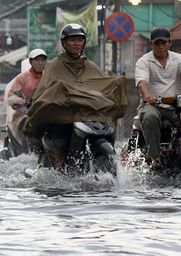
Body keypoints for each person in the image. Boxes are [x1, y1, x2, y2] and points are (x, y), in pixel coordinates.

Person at [24, 24, 128, 169]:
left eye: (80, 40)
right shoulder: (55, 65)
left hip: (87, 114)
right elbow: (45, 90)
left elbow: (101, 84)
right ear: (64, 43)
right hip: (65, 112)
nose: (77, 43)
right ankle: (59, 162)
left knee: (107, 124)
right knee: (58, 122)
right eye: (72, 40)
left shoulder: (90, 66)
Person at [134, 27, 181, 170]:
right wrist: (147, 96)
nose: (161, 46)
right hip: (152, 105)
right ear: (151, 44)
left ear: (170, 43)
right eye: (157, 43)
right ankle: (155, 157)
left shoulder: (179, 59)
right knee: (150, 117)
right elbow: (142, 81)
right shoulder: (144, 61)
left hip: (176, 106)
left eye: (164, 43)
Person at [0, 48, 47, 160]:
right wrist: (19, 101)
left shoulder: (48, 77)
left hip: (44, 113)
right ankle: (32, 156)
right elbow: (10, 96)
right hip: (23, 114)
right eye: (37, 60)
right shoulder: (22, 78)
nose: (40, 63)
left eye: (42, 60)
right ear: (30, 62)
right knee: (29, 126)